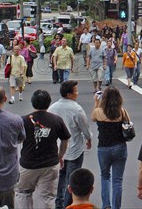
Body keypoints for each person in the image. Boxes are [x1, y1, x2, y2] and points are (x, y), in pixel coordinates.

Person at [15, 90, 71, 209]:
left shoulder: (23, 120)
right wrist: (60, 156)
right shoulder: (56, 120)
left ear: (32, 102)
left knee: (23, 192)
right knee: (46, 196)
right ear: (49, 103)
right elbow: (65, 139)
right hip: (50, 163)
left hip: (28, 164)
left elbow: (17, 140)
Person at [49, 81, 93, 209]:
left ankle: (58, 204)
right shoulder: (77, 109)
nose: (77, 93)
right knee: (72, 179)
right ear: (69, 94)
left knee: (60, 179)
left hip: (58, 149)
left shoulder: (53, 108)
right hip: (75, 149)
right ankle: (68, 205)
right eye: (76, 91)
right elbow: (84, 127)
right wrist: (88, 138)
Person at [91, 86, 130, 209]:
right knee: (117, 180)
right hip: (120, 147)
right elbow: (128, 124)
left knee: (105, 176)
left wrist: (97, 102)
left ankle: (106, 205)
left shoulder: (98, 112)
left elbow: (92, 118)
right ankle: (116, 206)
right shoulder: (122, 111)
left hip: (103, 148)